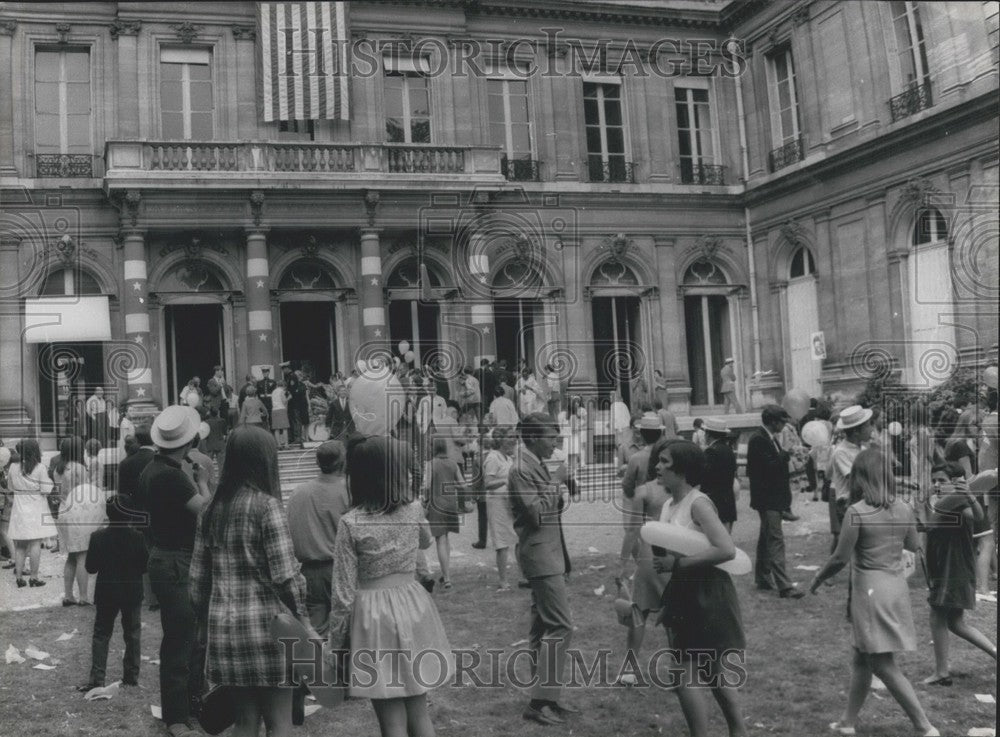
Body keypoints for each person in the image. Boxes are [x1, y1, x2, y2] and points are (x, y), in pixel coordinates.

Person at [188, 424, 308, 737]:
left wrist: (203, 623)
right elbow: (285, 577)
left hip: (226, 632)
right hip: (271, 629)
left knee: (244, 722)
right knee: (279, 722)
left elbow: (197, 582)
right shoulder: (267, 506)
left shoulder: (210, 510)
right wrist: (305, 623)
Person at [809, 450, 940, 737]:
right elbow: (912, 544)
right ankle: (847, 721)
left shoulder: (857, 512)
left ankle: (924, 726)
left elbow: (840, 558)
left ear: (860, 477)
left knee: (882, 663)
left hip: (869, 591)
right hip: (894, 587)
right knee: (861, 656)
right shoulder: (904, 507)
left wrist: (818, 577)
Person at [328, 435, 451, 737]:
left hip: (374, 616)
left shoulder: (351, 522)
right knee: (419, 710)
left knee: (391, 718)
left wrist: (336, 643)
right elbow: (425, 540)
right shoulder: (413, 509)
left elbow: (343, 592)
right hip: (412, 605)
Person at [652, 440, 747, 737]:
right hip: (686, 591)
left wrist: (676, 566)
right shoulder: (669, 504)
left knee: (690, 673)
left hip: (707, 593)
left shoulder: (698, 503)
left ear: (682, 470)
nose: (657, 466)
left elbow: (726, 549)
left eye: (665, 462)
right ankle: (738, 731)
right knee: (710, 672)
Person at [139, 406, 213, 737]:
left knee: (190, 638)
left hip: (166, 558)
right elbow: (207, 514)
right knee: (182, 641)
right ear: (189, 442)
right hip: (176, 561)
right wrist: (203, 481)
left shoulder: (153, 469)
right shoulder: (171, 476)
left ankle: (190, 707)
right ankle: (178, 719)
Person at [508, 413, 579, 726]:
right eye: (552, 437)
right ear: (534, 437)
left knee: (541, 629)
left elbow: (551, 510)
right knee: (561, 626)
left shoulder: (534, 463)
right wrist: (556, 482)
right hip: (539, 556)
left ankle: (545, 699)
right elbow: (536, 515)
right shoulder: (522, 469)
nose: (556, 443)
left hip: (547, 554)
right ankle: (540, 701)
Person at [921, 462, 997, 685]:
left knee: (937, 616)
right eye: (934, 480)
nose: (936, 484)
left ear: (955, 482)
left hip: (953, 568)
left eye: (941, 481)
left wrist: (969, 496)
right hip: (951, 566)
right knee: (955, 622)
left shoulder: (956, 500)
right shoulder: (953, 499)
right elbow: (973, 515)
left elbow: (971, 516)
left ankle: (941, 671)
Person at [616, 436, 673, 686]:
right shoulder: (685, 490)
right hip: (674, 554)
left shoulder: (644, 490)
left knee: (640, 613)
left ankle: (629, 669)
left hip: (649, 554)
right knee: (674, 615)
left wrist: (622, 563)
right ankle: (677, 671)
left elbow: (632, 530)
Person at [77, 495, 148, 692]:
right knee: (132, 634)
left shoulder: (98, 537)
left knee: (101, 634)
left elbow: (91, 568)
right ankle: (131, 677)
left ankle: (97, 679)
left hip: (106, 592)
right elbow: (144, 567)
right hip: (132, 592)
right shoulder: (138, 537)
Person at [285, 441, 350, 635]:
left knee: (316, 632)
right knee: (349, 630)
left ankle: (321, 664)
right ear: (342, 462)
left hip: (310, 572)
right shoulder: (348, 491)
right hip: (341, 569)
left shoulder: (299, 493)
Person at [746, 405, 804, 599]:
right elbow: (769, 469)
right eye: (781, 422)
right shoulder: (759, 440)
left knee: (766, 538)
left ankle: (762, 577)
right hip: (767, 499)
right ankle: (785, 585)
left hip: (771, 498)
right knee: (775, 540)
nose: (784, 425)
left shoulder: (767, 438)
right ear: (772, 422)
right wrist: (785, 453)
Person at [55, 437, 105, 607]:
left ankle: (68, 595)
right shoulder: (80, 469)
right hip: (78, 510)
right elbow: (86, 491)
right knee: (82, 554)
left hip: (63, 510)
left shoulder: (58, 469)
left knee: (71, 555)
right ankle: (83, 596)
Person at [7, 439, 53, 588]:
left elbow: (10, 487)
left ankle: (19, 578)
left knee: (20, 545)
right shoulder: (40, 468)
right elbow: (46, 489)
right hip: (35, 506)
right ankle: (33, 577)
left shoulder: (13, 467)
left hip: (19, 507)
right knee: (35, 544)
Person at [424, 438, 466, 591]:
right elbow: (463, 485)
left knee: (440, 539)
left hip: (436, 504)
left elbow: (426, 486)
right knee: (446, 538)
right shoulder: (453, 463)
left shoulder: (430, 464)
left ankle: (447, 577)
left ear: (433, 448)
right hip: (450, 503)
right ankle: (445, 573)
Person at [830, 406, 872, 552]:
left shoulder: (863, 450)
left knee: (865, 550)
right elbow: (856, 480)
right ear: (855, 431)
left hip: (864, 502)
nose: (871, 428)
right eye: (868, 425)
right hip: (849, 505)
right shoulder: (841, 452)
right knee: (856, 550)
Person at [482, 428, 519, 591]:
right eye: (510, 437)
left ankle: (523, 575)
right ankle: (503, 581)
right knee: (502, 542)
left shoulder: (509, 458)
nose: (514, 440)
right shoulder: (492, 458)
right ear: (501, 440)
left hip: (509, 502)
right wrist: (505, 481)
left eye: (515, 437)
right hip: (497, 503)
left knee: (517, 538)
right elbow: (487, 483)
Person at [702, 418, 738, 533]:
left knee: (717, 540)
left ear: (708, 434)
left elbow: (706, 479)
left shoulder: (711, 452)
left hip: (716, 503)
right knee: (726, 539)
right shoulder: (728, 450)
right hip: (728, 502)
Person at [621, 416, 663, 502]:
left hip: (644, 501)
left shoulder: (636, 458)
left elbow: (627, 486)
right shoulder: (668, 454)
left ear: (642, 435)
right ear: (660, 434)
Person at [270, 380, 290, 449]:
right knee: (284, 428)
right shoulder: (281, 391)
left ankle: (278, 445)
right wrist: (289, 397)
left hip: (274, 410)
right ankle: (286, 444)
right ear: (283, 386)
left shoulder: (273, 392)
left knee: (276, 429)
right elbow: (284, 401)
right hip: (281, 409)